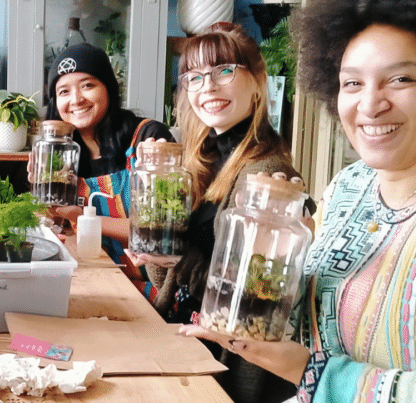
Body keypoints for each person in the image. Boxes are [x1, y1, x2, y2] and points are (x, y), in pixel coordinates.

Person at [178, 1, 416, 402]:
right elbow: (294, 322)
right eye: (352, 83)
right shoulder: (348, 188)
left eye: (400, 79)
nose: (369, 105)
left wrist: (307, 371)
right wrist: (270, 244)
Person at [128, 22, 315, 403]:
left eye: (224, 71)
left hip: (225, 362)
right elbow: (168, 274)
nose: (208, 87)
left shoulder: (267, 176)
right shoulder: (200, 160)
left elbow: (249, 304)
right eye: (194, 78)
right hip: (183, 338)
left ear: (258, 81)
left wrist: (179, 258)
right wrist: (158, 242)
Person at [31, 42, 174, 301]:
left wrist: (83, 219)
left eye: (87, 85)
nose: (76, 99)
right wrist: (44, 198)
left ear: (108, 87)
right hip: (104, 280)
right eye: (64, 91)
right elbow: (56, 225)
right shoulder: (64, 154)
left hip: (158, 290)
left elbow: (160, 233)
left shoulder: (148, 139)